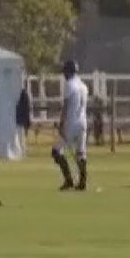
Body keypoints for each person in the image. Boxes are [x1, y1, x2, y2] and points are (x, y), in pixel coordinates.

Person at [52, 60, 89, 191]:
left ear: (68, 72)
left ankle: (69, 180)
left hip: (71, 123)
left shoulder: (69, 85)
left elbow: (66, 107)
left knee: (56, 151)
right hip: (83, 123)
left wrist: (61, 124)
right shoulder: (84, 86)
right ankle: (83, 182)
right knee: (81, 153)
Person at [15, 86, 31, 152]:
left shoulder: (22, 97)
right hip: (22, 119)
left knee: (20, 135)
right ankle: (22, 149)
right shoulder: (25, 96)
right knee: (21, 135)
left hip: (20, 120)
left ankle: (21, 149)